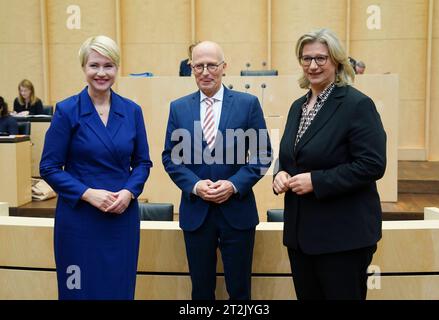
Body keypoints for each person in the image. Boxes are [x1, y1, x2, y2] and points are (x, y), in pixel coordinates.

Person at [272, 28, 386, 300]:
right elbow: (292, 154)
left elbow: (372, 165)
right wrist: (280, 172)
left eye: (321, 58)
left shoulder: (357, 104)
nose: (313, 65)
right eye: (306, 58)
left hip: (343, 238)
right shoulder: (298, 106)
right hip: (302, 237)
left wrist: (317, 181)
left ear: (336, 61)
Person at [40, 35, 152, 300]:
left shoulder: (132, 110)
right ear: (83, 68)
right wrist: (88, 193)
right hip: (79, 218)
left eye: (108, 65)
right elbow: (49, 166)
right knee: (77, 290)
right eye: (94, 65)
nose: (101, 73)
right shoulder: (67, 110)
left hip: (120, 216)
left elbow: (142, 163)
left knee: (118, 289)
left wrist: (129, 193)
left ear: (117, 68)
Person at [162, 41, 272, 300]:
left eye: (212, 65)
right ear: (191, 68)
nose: (205, 71)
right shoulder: (178, 108)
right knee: (200, 291)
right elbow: (171, 157)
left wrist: (233, 185)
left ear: (224, 67)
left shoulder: (248, 104)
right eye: (198, 66)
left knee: (240, 290)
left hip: (237, 211)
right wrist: (196, 185)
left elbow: (263, 153)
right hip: (196, 212)